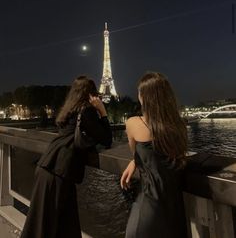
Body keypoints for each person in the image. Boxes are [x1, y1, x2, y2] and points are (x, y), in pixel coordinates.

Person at [21, 76, 112, 238]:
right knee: (53, 226)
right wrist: (103, 112)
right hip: (59, 172)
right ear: (90, 94)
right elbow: (107, 139)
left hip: (49, 166)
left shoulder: (69, 109)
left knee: (50, 223)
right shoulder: (87, 111)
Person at [120, 72, 188, 238]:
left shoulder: (133, 123)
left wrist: (135, 161)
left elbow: (138, 151)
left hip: (148, 208)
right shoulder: (179, 126)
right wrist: (135, 162)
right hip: (174, 211)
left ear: (144, 97)